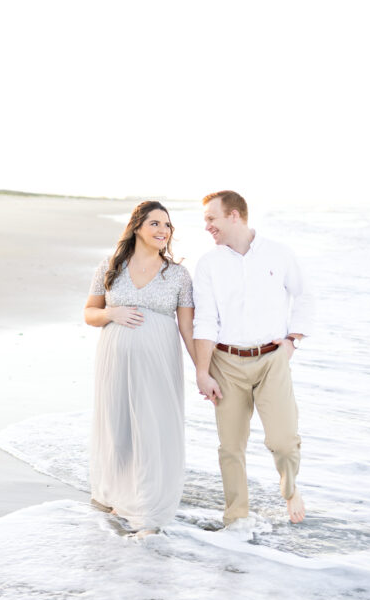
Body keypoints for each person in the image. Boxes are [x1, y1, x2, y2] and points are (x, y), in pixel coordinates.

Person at [193, 190, 314, 526]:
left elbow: (304, 298)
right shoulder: (208, 264)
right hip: (225, 363)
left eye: (211, 219)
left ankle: (290, 488)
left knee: (284, 441)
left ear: (235, 216)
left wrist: (293, 340)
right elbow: (205, 321)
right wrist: (203, 372)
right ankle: (236, 517)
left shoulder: (279, 254)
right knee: (231, 447)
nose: (207, 227)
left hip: (272, 359)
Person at [84, 201, 196, 534]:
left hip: (159, 364)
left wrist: (205, 371)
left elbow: (189, 330)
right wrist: (111, 314)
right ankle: (118, 499)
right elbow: (89, 313)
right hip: (113, 361)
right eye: (155, 224)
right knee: (117, 431)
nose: (163, 230)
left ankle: (148, 511)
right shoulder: (110, 266)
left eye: (167, 225)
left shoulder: (178, 274)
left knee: (152, 431)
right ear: (137, 227)